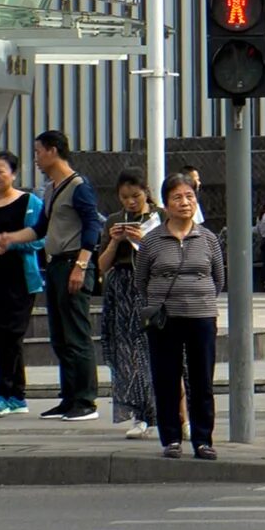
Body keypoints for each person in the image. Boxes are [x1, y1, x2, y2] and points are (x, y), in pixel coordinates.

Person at [9, 130, 105, 421]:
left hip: (74, 263)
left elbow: (92, 226)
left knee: (77, 334)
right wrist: (9, 238)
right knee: (60, 336)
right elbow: (40, 228)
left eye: (38, 152)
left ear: (53, 151)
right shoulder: (51, 188)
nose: (36, 158)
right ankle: (69, 397)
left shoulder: (79, 185)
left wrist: (82, 265)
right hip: (55, 265)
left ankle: (86, 401)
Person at [135, 172, 226, 460]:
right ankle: (171, 438)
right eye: (177, 197)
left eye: (189, 196)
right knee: (166, 379)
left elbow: (219, 278)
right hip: (165, 320)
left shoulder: (209, 239)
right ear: (166, 203)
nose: (184, 202)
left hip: (201, 317)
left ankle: (203, 439)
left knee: (202, 381)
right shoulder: (151, 241)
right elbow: (141, 281)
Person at [97, 172, 160, 439]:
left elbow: (163, 253)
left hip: (150, 287)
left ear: (146, 192)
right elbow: (101, 265)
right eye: (124, 198)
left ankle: (168, 413)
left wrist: (142, 240)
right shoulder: (114, 220)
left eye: (135, 196)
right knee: (127, 354)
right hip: (121, 288)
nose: (131, 202)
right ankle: (138, 413)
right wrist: (115, 240)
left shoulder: (160, 218)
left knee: (154, 351)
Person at [0, 151, 44, 418]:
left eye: (0, 171)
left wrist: (11, 242)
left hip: (19, 282)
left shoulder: (30, 202)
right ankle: (18, 395)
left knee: (10, 335)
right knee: (0, 337)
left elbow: (41, 238)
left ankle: (1, 394)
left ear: (14, 174)